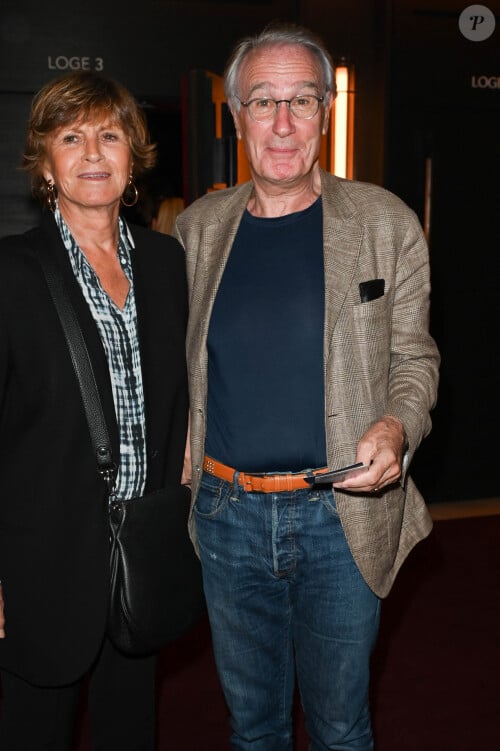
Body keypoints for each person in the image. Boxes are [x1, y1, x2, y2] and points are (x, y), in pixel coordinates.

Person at [174, 21, 439, 751]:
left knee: (341, 726)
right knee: (252, 728)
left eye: (302, 100)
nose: (283, 122)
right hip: (226, 516)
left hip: (339, 520)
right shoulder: (195, 231)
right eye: (264, 101)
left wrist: (396, 426)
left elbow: (416, 360)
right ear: (237, 116)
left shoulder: (387, 222)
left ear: (327, 110)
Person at [0, 70, 189, 751]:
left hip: (142, 558)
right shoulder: (2, 273)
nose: (92, 152)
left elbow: (182, 403)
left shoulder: (169, 265)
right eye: (71, 136)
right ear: (45, 161)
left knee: (131, 733)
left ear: (133, 155)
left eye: (109, 135)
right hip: (40, 565)